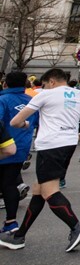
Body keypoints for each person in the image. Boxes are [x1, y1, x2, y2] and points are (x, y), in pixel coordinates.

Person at [1, 68, 80, 252]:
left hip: (50, 146)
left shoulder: (45, 95)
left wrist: (25, 124)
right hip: (68, 144)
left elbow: (15, 122)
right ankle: (19, 236)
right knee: (39, 190)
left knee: (49, 191)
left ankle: (76, 225)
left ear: (51, 81)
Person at [0, 71, 36, 233]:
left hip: (4, 148)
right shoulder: (32, 101)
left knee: (7, 184)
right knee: (9, 184)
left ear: (5, 83)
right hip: (21, 148)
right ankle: (11, 222)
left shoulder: (3, 100)